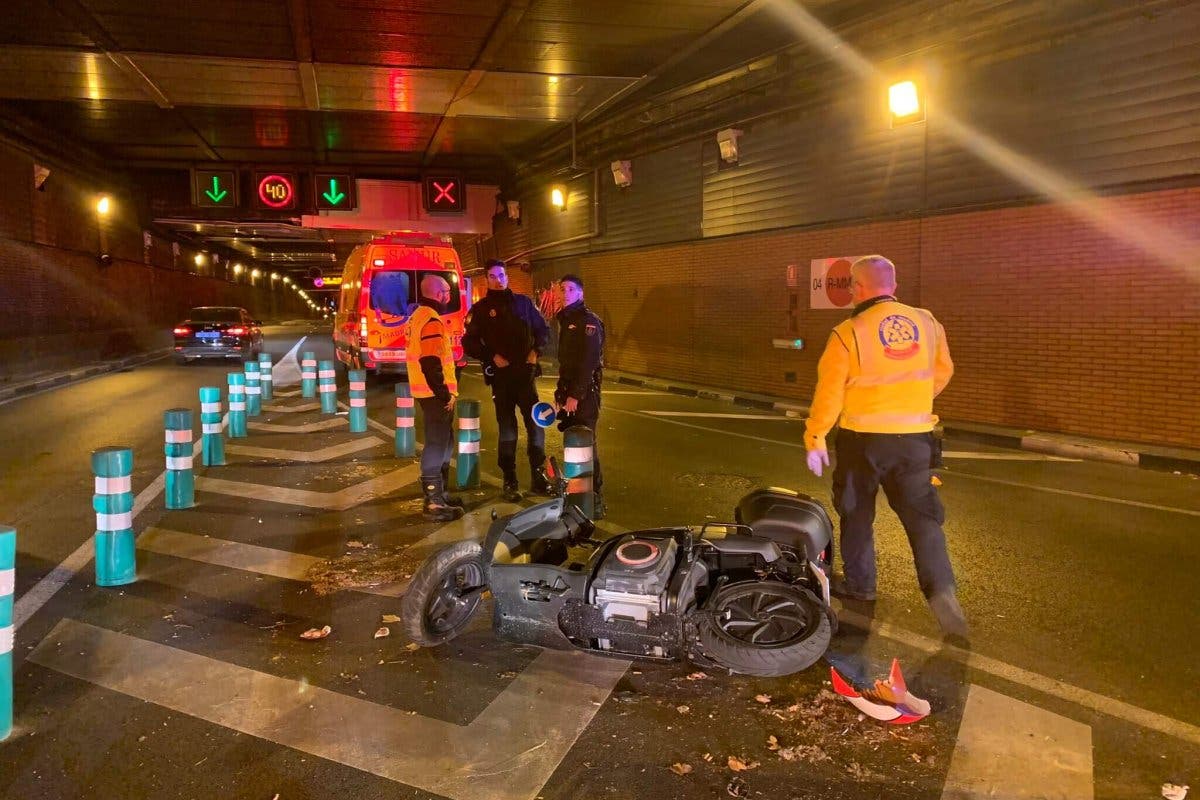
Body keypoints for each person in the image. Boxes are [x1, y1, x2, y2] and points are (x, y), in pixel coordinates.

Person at [803, 255, 968, 640]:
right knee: (924, 521)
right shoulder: (928, 323)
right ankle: (942, 592)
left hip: (863, 441)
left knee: (857, 514)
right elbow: (943, 370)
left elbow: (829, 392)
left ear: (856, 289)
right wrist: (912, 402)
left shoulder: (848, 332)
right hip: (915, 441)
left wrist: (816, 436)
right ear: (893, 284)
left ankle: (861, 585)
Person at [462, 259, 552, 501]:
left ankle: (538, 476)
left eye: (501, 275)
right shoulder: (481, 310)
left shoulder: (523, 304)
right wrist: (491, 356)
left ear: (506, 277)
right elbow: (468, 342)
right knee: (507, 429)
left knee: (535, 427)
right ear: (487, 279)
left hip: (526, 376)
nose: (498, 280)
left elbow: (543, 330)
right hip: (501, 379)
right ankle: (510, 480)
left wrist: (536, 352)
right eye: (493, 276)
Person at [406, 274, 464, 522]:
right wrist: (444, 394)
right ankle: (433, 502)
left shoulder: (418, 316)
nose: (449, 296)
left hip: (426, 392)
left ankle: (441, 493)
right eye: (448, 292)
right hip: (434, 394)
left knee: (444, 441)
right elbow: (430, 362)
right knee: (437, 444)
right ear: (439, 293)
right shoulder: (431, 320)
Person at [554, 274, 607, 519]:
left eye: (571, 289)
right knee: (574, 447)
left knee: (587, 446)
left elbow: (588, 364)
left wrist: (575, 395)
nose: (565, 293)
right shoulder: (566, 321)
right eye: (562, 289)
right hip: (571, 395)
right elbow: (566, 365)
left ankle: (595, 497)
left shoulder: (589, 323)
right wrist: (560, 394)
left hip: (586, 396)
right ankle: (576, 495)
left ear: (580, 293)